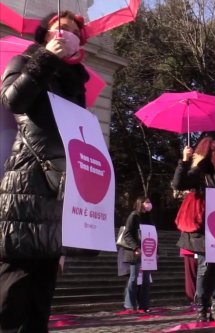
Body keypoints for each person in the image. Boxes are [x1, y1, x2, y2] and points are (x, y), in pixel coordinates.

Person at [0, 11, 89, 331]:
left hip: (59, 191)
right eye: (61, 28)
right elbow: (13, 100)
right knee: (12, 297)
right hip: (25, 185)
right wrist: (44, 61)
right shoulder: (25, 62)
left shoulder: (76, 82)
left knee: (40, 305)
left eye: (75, 30)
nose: (67, 33)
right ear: (45, 33)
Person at [172, 137, 215, 322]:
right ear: (214, 155)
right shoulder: (201, 173)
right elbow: (178, 184)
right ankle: (201, 309)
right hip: (203, 229)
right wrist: (184, 160)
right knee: (205, 268)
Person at [122, 196, 155, 313]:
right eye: (147, 202)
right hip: (135, 253)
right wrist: (135, 247)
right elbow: (127, 234)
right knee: (133, 278)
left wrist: (157, 251)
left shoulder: (149, 217)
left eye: (150, 202)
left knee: (146, 280)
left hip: (148, 253)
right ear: (140, 203)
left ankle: (144, 305)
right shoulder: (134, 216)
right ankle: (129, 305)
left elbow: (153, 235)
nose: (149, 204)